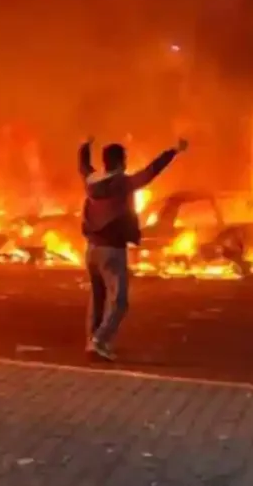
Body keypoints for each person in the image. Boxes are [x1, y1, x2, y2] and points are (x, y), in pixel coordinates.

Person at [78, 136, 187, 361]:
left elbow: (83, 166)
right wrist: (174, 151)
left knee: (98, 298)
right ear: (120, 162)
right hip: (112, 250)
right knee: (119, 301)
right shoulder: (122, 184)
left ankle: (93, 341)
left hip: (92, 250)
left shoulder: (91, 182)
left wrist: (84, 147)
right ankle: (99, 341)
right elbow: (151, 172)